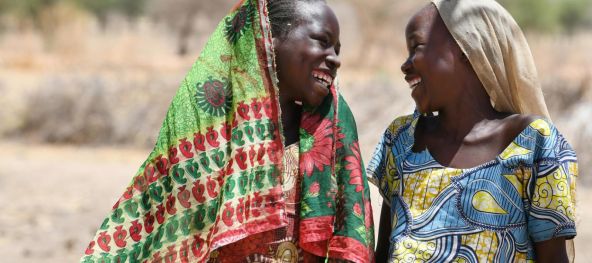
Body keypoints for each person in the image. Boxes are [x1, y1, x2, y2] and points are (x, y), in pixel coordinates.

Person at [80, 0, 374, 262]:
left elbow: (349, 242)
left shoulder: (334, 134)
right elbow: (150, 236)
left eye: (336, 49)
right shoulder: (207, 144)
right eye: (321, 41)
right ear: (268, 38)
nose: (334, 58)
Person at [367, 0, 577, 262]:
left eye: (416, 47)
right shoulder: (402, 140)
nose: (405, 65)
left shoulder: (534, 143)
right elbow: (383, 252)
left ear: (467, 47)